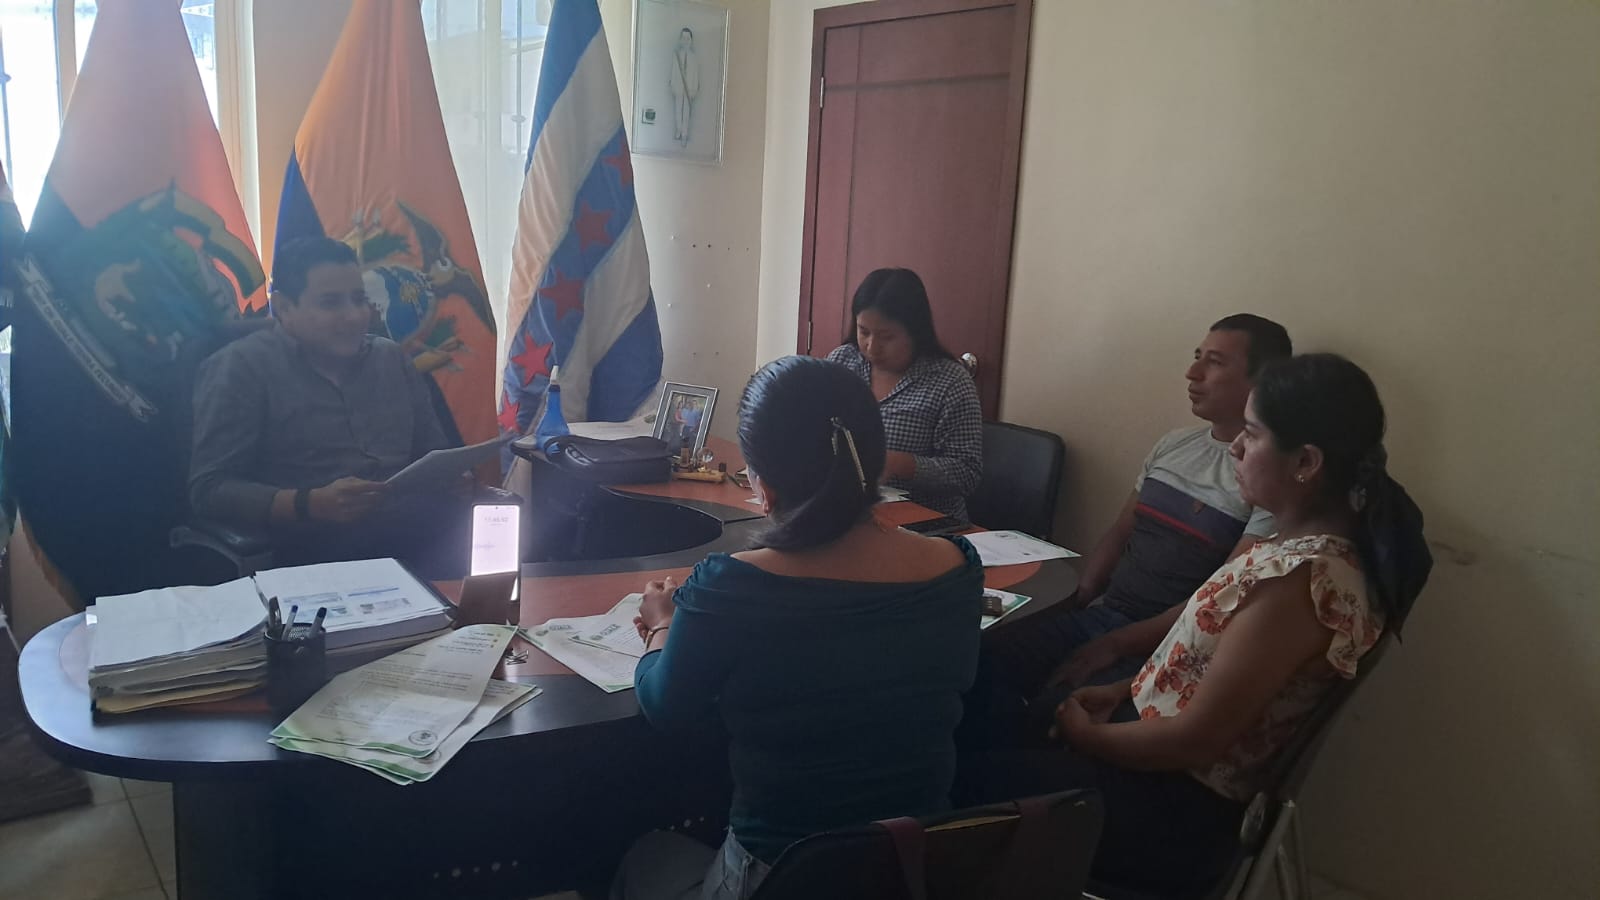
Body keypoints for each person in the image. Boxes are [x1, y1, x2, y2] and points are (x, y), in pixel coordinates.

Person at [958, 353, 1432, 896]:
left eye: (1252, 434)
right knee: (986, 721)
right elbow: (1205, 668)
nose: (1235, 447)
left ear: (1305, 461)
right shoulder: (1299, 550)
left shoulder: (1299, 583)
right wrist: (1122, 689)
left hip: (1164, 811)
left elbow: (1194, 741)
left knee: (948, 778)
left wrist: (1088, 737)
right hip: (1152, 770)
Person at [611, 356, 986, 900]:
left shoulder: (730, 586)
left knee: (646, 854)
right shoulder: (956, 566)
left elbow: (666, 707)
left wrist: (662, 626)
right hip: (912, 868)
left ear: (762, 487)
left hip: (779, 876)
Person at [969, 315, 1293, 742]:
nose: (1192, 372)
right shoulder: (1174, 445)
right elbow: (1121, 532)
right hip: (1102, 616)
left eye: (1214, 363)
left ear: (1262, 382)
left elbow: (1217, 599)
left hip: (1168, 643)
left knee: (1054, 711)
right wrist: (1076, 602)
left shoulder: (1264, 480)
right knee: (976, 662)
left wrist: (1116, 644)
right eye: (1196, 357)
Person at [188, 236, 472, 576]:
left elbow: (434, 452)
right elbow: (209, 490)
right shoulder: (241, 368)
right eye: (330, 303)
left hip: (413, 527)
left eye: (359, 300)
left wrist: (454, 477)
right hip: (311, 542)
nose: (354, 316)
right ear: (284, 308)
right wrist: (308, 503)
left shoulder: (390, 358)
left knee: (507, 528)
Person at [826, 268, 982, 521]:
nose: (872, 346)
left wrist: (900, 464)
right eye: (863, 331)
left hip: (924, 524)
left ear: (915, 331)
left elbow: (967, 474)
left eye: (887, 337)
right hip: (849, 511)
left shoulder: (950, 382)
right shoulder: (843, 361)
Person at [668, 27, 700, 147]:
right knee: (678, 110)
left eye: (688, 38)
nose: (686, 41)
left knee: (686, 112)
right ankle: (679, 129)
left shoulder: (693, 57)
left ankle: (684, 134)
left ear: (691, 40)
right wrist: (672, 84)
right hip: (678, 87)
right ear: (680, 39)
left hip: (689, 89)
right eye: (683, 38)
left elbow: (695, 74)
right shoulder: (676, 55)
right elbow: (673, 71)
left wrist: (694, 88)